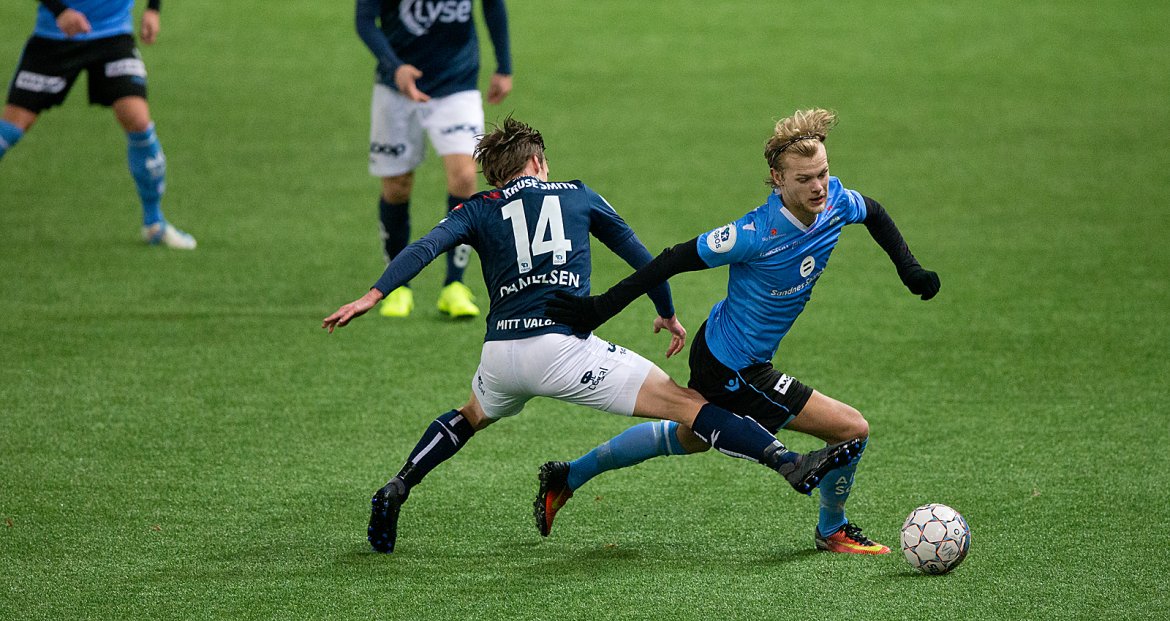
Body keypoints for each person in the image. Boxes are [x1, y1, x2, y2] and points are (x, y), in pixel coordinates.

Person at [322, 117, 862, 553]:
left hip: (501, 353)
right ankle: (788, 462)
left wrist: (374, 294)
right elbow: (638, 251)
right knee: (689, 405)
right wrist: (667, 311)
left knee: (470, 415)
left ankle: (399, 483)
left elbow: (423, 248)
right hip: (563, 349)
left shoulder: (478, 208)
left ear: (497, 175)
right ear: (538, 162)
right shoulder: (576, 194)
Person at [543, 108, 942, 555]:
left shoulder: (835, 202)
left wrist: (909, 268)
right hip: (733, 366)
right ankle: (833, 529)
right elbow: (672, 258)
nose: (818, 187)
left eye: (823, 174)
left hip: (729, 350)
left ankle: (569, 475)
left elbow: (874, 212)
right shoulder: (753, 234)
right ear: (778, 179)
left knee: (689, 436)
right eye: (805, 179)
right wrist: (599, 308)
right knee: (852, 429)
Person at [355, 0, 513, 319]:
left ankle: (454, 285)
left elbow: (493, 6)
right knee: (397, 186)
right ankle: (397, 286)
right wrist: (394, 66)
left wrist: (504, 66)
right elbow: (365, 20)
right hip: (396, 88)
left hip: (457, 83)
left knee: (465, 177)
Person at [1, 0, 196, 249]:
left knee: (138, 121)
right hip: (56, 36)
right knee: (11, 129)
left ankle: (154, 223)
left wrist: (153, 9)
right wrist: (60, 11)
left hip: (113, 36)